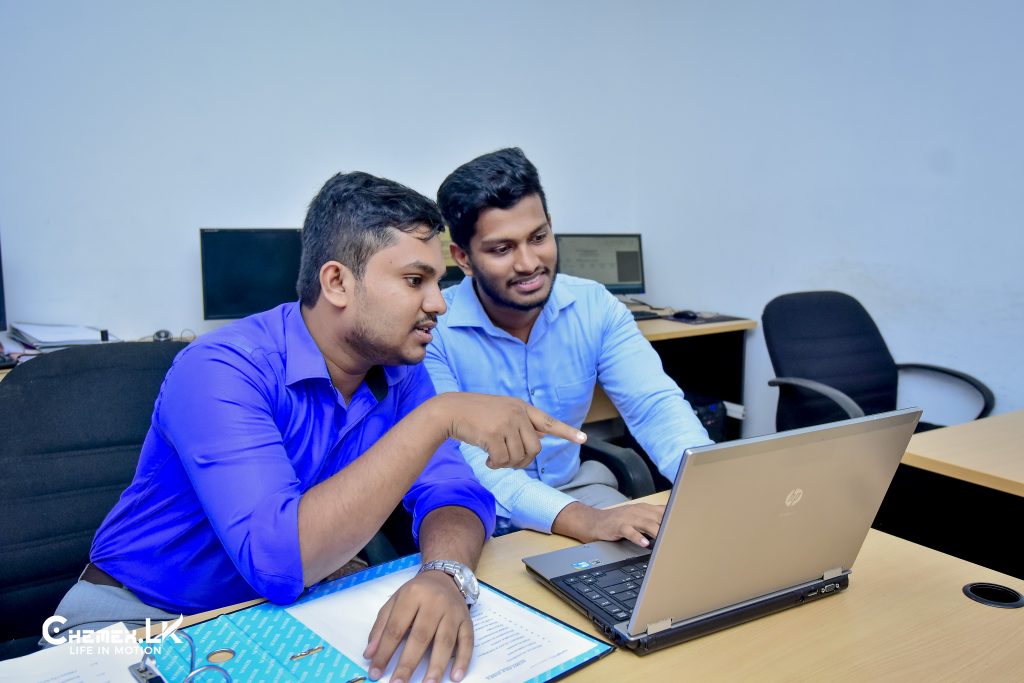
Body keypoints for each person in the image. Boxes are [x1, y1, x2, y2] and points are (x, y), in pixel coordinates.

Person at [47, 171, 584, 683]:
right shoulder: (221, 368)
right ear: (337, 282)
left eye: (438, 281)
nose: (438, 303)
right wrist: (439, 416)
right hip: (135, 621)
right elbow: (280, 562)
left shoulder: (398, 369)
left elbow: (454, 492)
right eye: (414, 280)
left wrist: (445, 573)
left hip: (268, 617)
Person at [426, 147, 712, 547]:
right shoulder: (433, 329)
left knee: (670, 555)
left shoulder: (594, 306)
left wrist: (711, 484)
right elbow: (465, 461)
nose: (529, 263)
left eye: (538, 237)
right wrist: (584, 521)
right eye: (502, 249)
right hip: (476, 512)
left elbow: (654, 407)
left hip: (578, 493)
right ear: (464, 258)